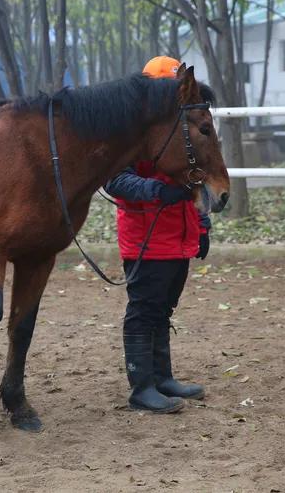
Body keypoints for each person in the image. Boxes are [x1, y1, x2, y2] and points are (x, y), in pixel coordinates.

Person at [104, 56, 211, 414]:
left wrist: (203, 224)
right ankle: (141, 387)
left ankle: (162, 377)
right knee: (143, 311)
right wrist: (156, 191)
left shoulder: (179, 130)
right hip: (146, 237)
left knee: (163, 309)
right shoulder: (128, 133)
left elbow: (198, 177)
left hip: (179, 236)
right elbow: (115, 180)